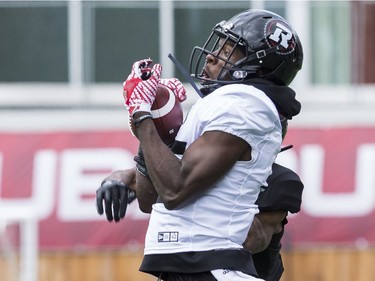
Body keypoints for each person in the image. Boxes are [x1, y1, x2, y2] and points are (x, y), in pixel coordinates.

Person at [97, 9, 303, 281]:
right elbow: (151, 199)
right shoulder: (224, 109)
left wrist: (141, 113)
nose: (212, 55)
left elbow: (174, 191)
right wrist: (157, 126)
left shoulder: (246, 105)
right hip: (191, 266)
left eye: (228, 49)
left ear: (255, 66)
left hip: (212, 266)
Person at [97, 119, 304, 281]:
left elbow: (252, 239)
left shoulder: (281, 181)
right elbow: (131, 175)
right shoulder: (214, 166)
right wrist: (115, 181)